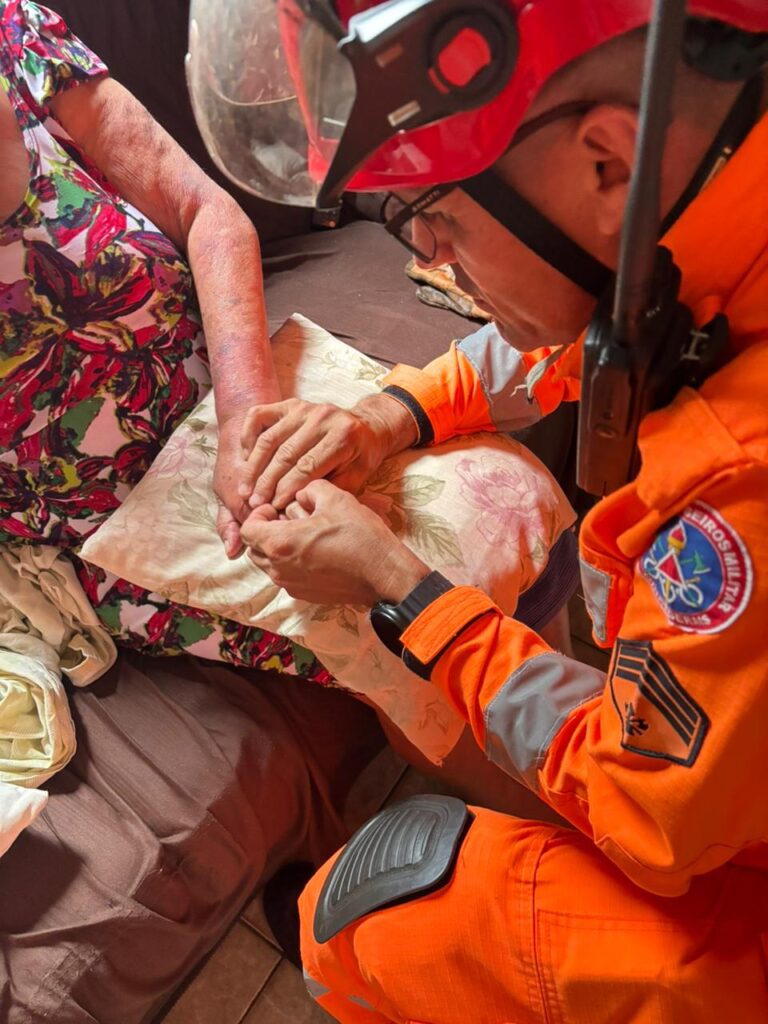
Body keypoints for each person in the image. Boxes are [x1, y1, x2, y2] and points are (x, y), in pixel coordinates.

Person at [190, 0, 768, 1020]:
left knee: (358, 917)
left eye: (436, 221)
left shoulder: (732, 494)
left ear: (609, 165)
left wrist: (397, 585)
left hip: (720, 865)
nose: (437, 264)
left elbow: (646, 814)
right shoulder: (717, 190)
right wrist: (390, 413)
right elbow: (608, 326)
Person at [0, 0, 335, 679]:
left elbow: (203, 210)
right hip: (113, 535)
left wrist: (249, 425)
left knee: (482, 523)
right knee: (381, 632)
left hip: (233, 405)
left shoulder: (16, 33)